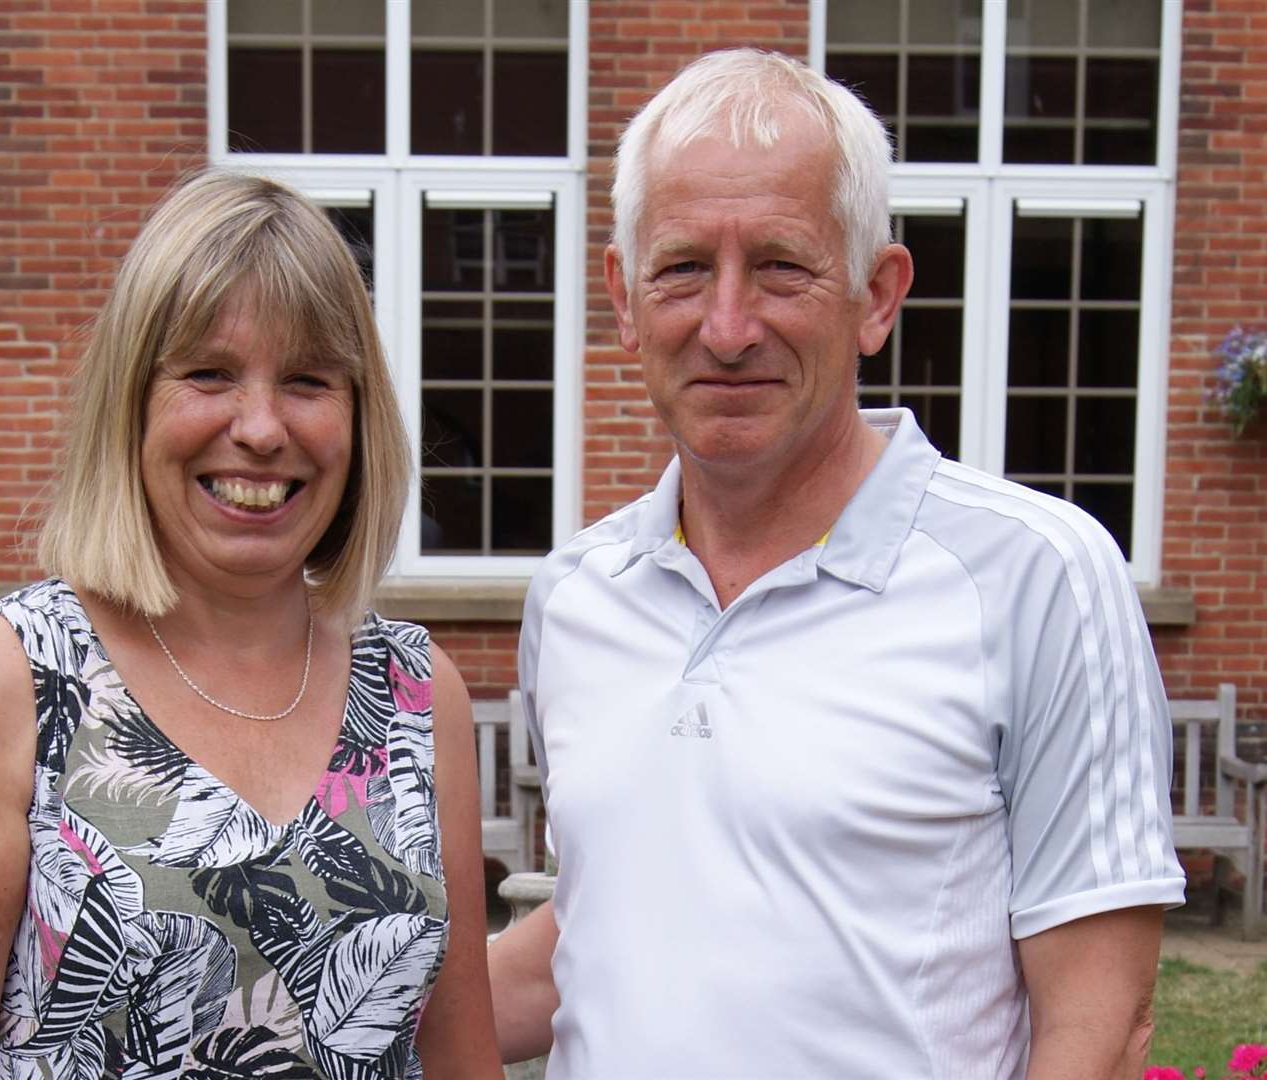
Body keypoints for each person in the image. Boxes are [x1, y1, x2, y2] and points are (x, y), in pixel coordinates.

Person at [488, 48, 1185, 1079]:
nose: (728, 327)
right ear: (624, 299)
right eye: (683, 267)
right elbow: (603, 935)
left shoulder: (1034, 577)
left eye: (782, 265)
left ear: (876, 294)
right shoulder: (579, 597)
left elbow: (1098, 1024)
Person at [0, 169, 504, 1080]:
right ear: (132, 400)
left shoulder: (414, 692)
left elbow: (459, 1059)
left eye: (309, 380)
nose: (262, 428)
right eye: (209, 373)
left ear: (359, 419)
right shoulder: (8, 680)